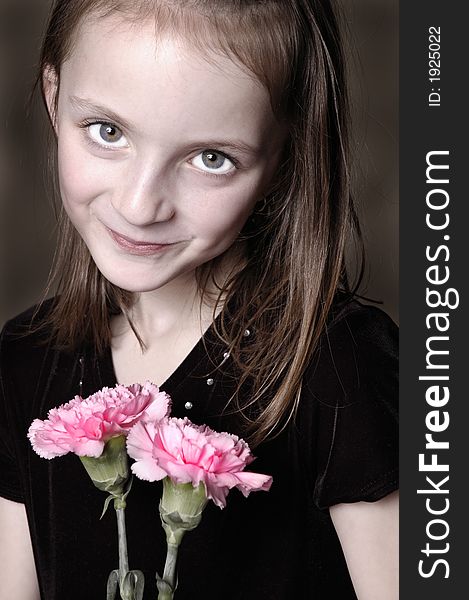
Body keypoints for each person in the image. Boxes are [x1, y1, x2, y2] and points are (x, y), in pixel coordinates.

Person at [0, 1, 398, 599]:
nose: (140, 205)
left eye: (211, 158)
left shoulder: (343, 367)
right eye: (108, 132)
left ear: (284, 160)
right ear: (54, 99)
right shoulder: (23, 361)